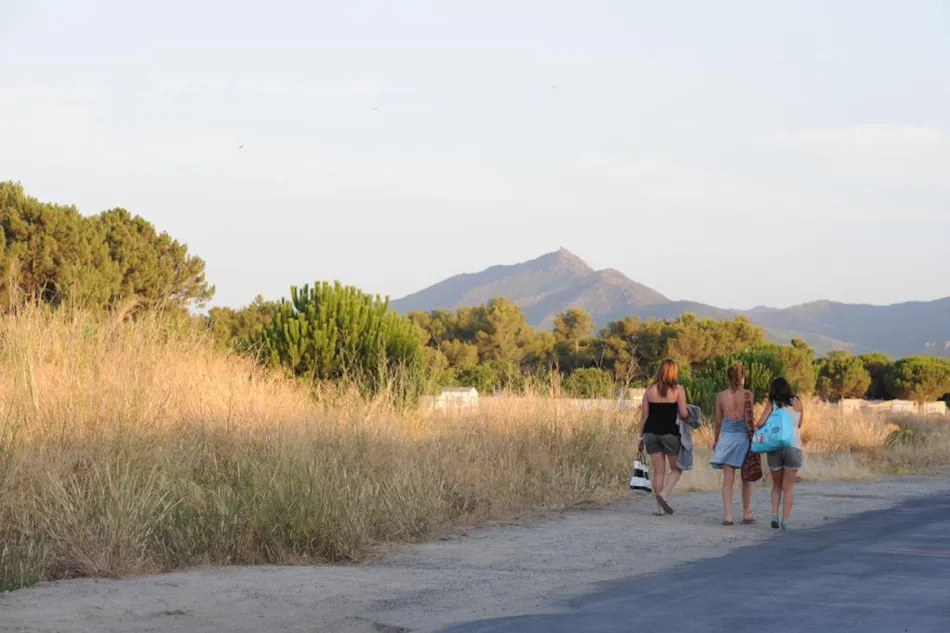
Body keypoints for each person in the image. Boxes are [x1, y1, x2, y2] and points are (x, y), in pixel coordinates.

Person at [637, 358, 689, 515]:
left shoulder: (649, 390)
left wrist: (640, 438)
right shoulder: (678, 390)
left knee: (659, 471)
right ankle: (664, 495)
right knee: (677, 468)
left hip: (651, 434)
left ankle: (659, 509)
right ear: (674, 372)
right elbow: (684, 413)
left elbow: (644, 416)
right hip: (670, 434)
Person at [753, 377, 804, 530]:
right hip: (793, 446)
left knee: (776, 485)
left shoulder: (772, 404)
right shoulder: (798, 402)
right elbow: (800, 424)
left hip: (775, 447)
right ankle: (786, 521)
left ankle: (774, 516)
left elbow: (760, 423)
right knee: (788, 487)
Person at [710, 362, 755, 526]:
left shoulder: (721, 396)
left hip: (727, 439)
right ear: (742, 377)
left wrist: (716, 440)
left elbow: (718, 420)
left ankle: (728, 516)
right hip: (744, 438)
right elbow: (751, 419)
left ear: (728, 378)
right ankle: (746, 513)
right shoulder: (748, 394)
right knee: (746, 478)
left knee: (727, 481)